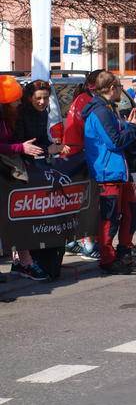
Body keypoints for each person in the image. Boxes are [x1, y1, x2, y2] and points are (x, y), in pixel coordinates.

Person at [82, 71, 136, 275]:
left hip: (119, 171)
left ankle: (124, 254)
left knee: (132, 214)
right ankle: (108, 260)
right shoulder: (100, 111)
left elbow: (116, 134)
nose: (121, 90)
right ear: (112, 88)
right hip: (107, 172)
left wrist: (129, 126)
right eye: (120, 86)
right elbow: (115, 141)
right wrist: (133, 128)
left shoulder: (109, 108)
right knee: (109, 219)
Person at [13, 80, 71, 281]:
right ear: (29, 97)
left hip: (32, 169)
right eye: (38, 98)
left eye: (45, 98)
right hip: (17, 170)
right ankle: (23, 260)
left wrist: (57, 146)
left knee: (29, 217)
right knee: (21, 218)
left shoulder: (43, 112)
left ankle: (23, 259)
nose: (42, 102)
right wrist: (48, 150)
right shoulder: (21, 113)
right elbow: (21, 145)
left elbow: (41, 139)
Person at [0, 76, 48, 282]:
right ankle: (23, 261)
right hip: (6, 171)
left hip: (9, 172)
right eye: (16, 99)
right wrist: (21, 147)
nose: (20, 102)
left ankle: (24, 261)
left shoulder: (12, 114)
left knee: (18, 219)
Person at [62, 69, 104, 260]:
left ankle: (72, 242)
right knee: (89, 202)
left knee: (77, 201)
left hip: (73, 155)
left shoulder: (82, 98)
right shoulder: (90, 102)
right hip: (83, 156)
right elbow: (95, 132)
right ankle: (89, 244)